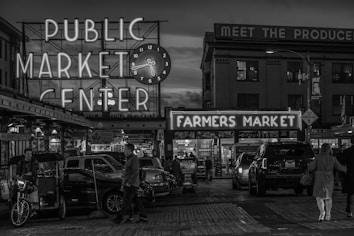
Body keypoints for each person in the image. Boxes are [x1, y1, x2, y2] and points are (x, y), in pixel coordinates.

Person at [308, 143, 347, 222]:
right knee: (328, 197)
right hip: (329, 178)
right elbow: (340, 167)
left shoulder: (318, 158)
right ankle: (328, 214)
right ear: (329, 149)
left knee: (319, 197)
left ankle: (322, 213)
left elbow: (311, 167)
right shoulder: (332, 159)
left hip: (319, 178)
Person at [113, 143, 148, 224]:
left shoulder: (134, 159)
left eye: (125, 149)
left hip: (131, 184)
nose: (124, 151)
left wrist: (129, 182)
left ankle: (120, 218)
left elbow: (135, 172)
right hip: (129, 184)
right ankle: (142, 217)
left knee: (126, 202)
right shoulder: (129, 159)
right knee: (136, 201)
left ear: (129, 150)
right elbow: (127, 172)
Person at [337, 144, 354, 218]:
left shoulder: (348, 151)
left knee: (350, 193)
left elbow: (341, 161)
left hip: (351, 174)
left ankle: (349, 210)